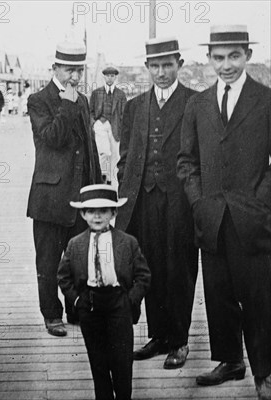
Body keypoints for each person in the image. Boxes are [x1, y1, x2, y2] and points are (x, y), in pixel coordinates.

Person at [178, 25, 271, 397]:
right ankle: (231, 360)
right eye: (219, 58)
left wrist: (261, 201)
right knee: (218, 293)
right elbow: (187, 161)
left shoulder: (266, 100)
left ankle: (264, 372)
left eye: (234, 56)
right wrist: (199, 202)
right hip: (212, 218)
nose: (226, 65)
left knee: (260, 296)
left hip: (254, 220)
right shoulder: (198, 104)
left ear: (247, 55)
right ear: (209, 60)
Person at [116, 37, 199, 370]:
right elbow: (125, 158)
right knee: (148, 267)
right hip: (143, 200)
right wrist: (124, 194)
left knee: (180, 268)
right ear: (147, 67)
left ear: (179, 63)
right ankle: (159, 334)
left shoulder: (196, 102)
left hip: (180, 201)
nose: (162, 72)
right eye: (155, 66)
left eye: (168, 65)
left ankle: (179, 340)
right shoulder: (135, 106)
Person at [27, 41, 102, 337]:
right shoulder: (38, 100)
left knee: (78, 257)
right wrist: (68, 103)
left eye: (79, 69)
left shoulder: (81, 100)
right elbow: (52, 138)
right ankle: (51, 314)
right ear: (55, 68)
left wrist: (97, 185)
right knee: (47, 260)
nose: (75, 76)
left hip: (80, 194)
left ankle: (75, 309)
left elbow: (89, 147)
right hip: (49, 196)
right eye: (69, 69)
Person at [58, 184, 150, 400]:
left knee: (121, 361)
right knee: (98, 361)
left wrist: (130, 300)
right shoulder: (75, 244)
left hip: (119, 303)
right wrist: (77, 299)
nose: (97, 216)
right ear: (82, 214)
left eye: (103, 211)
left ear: (114, 213)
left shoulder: (127, 242)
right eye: (91, 211)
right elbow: (63, 276)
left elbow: (143, 275)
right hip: (89, 305)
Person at [89, 65, 127, 187]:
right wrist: (94, 123)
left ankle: (112, 180)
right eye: (107, 76)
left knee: (115, 155)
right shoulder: (96, 93)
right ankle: (103, 176)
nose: (110, 78)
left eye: (112, 76)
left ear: (115, 77)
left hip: (115, 126)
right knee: (104, 152)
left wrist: (123, 127)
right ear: (104, 77)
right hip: (100, 124)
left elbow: (124, 113)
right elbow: (90, 111)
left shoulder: (120, 94)